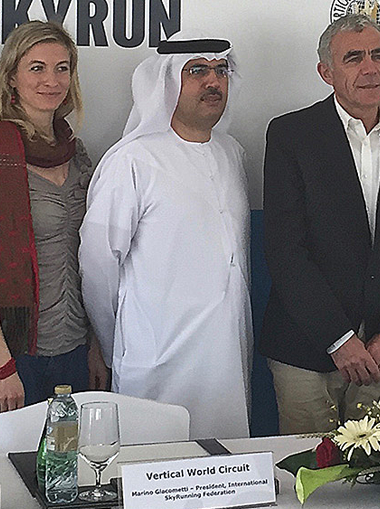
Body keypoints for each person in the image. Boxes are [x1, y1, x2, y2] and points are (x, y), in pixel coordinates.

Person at [262, 13, 380, 435]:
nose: (370, 69)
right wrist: (339, 340)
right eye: (354, 58)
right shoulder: (292, 135)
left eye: (378, 55)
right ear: (326, 72)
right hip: (307, 351)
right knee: (310, 468)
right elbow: (286, 251)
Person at [80, 32, 252, 438]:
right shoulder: (132, 160)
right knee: (154, 460)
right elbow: (99, 266)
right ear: (167, 81)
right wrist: (112, 343)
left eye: (221, 70)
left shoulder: (232, 153)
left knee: (226, 466)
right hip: (156, 360)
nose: (213, 81)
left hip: (227, 361)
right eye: (197, 71)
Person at [0, 21, 104, 453]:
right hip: (10, 357)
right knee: (2, 480)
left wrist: (97, 345)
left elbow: (92, 261)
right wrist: (0, 366)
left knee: (66, 474)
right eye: (37, 68)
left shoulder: (79, 156)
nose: (51, 80)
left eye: (62, 68)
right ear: (11, 78)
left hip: (73, 354)